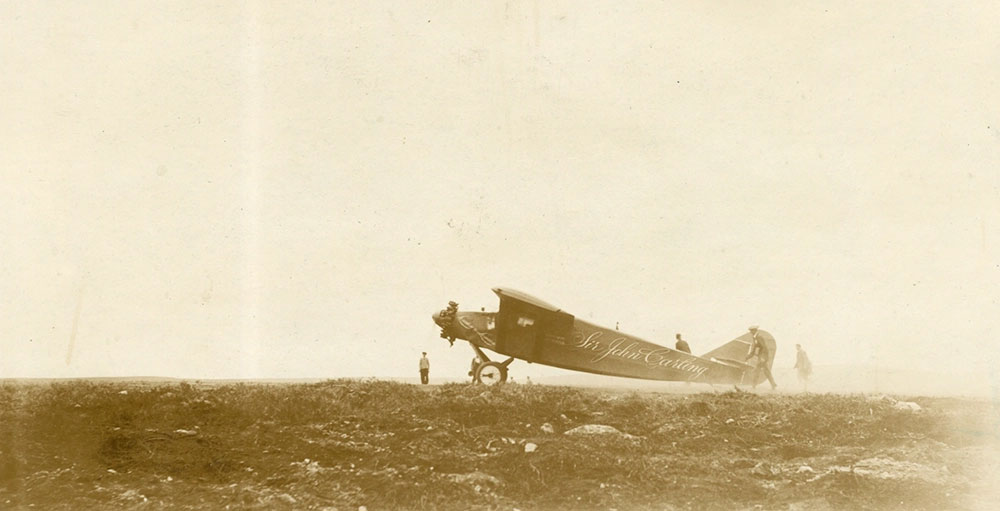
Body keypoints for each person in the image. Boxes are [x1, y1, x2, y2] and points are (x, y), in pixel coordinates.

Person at [745, 325, 777, 390]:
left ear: (755, 330)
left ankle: (753, 386)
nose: (751, 332)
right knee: (766, 371)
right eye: (750, 331)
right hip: (761, 357)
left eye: (751, 331)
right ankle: (773, 384)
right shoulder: (755, 338)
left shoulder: (759, 337)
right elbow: (754, 350)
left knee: (757, 371)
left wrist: (763, 358)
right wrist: (748, 357)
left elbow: (765, 347)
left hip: (762, 358)